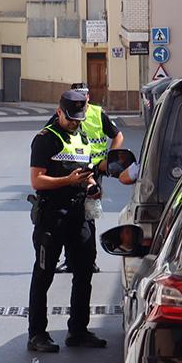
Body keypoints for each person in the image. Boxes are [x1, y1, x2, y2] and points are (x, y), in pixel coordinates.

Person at [26, 90, 108, 353]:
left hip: (79, 214)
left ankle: (78, 330)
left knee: (84, 273)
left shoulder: (81, 135)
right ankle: (37, 334)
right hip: (52, 217)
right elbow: (37, 180)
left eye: (79, 118)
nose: (75, 122)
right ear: (59, 111)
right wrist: (67, 181)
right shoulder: (46, 139)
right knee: (44, 274)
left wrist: (92, 185)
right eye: (71, 118)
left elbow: (87, 173)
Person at [57, 82, 124, 274]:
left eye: (83, 95)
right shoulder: (64, 113)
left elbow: (118, 136)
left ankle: (89, 260)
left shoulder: (97, 113)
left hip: (93, 169)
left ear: (88, 96)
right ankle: (70, 260)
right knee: (71, 214)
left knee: (88, 215)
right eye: (76, 96)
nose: (81, 99)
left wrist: (110, 160)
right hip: (71, 169)